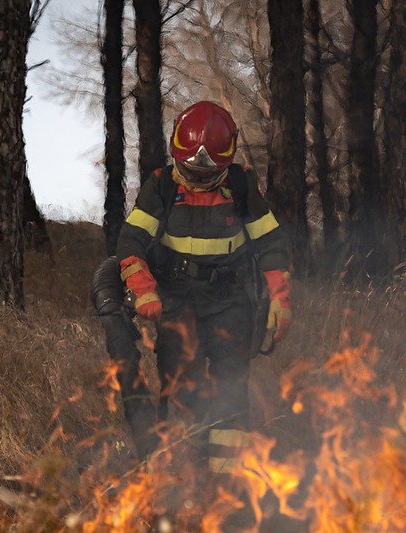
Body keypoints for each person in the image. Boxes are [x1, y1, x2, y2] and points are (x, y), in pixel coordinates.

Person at [91, 101, 291, 478]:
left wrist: (280, 297)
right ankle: (180, 476)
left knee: (231, 383)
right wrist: (143, 288)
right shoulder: (161, 185)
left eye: (207, 172)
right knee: (180, 382)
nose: (197, 178)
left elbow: (270, 244)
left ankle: (225, 482)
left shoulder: (241, 184)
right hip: (176, 296)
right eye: (190, 169)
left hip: (230, 299)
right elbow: (131, 241)